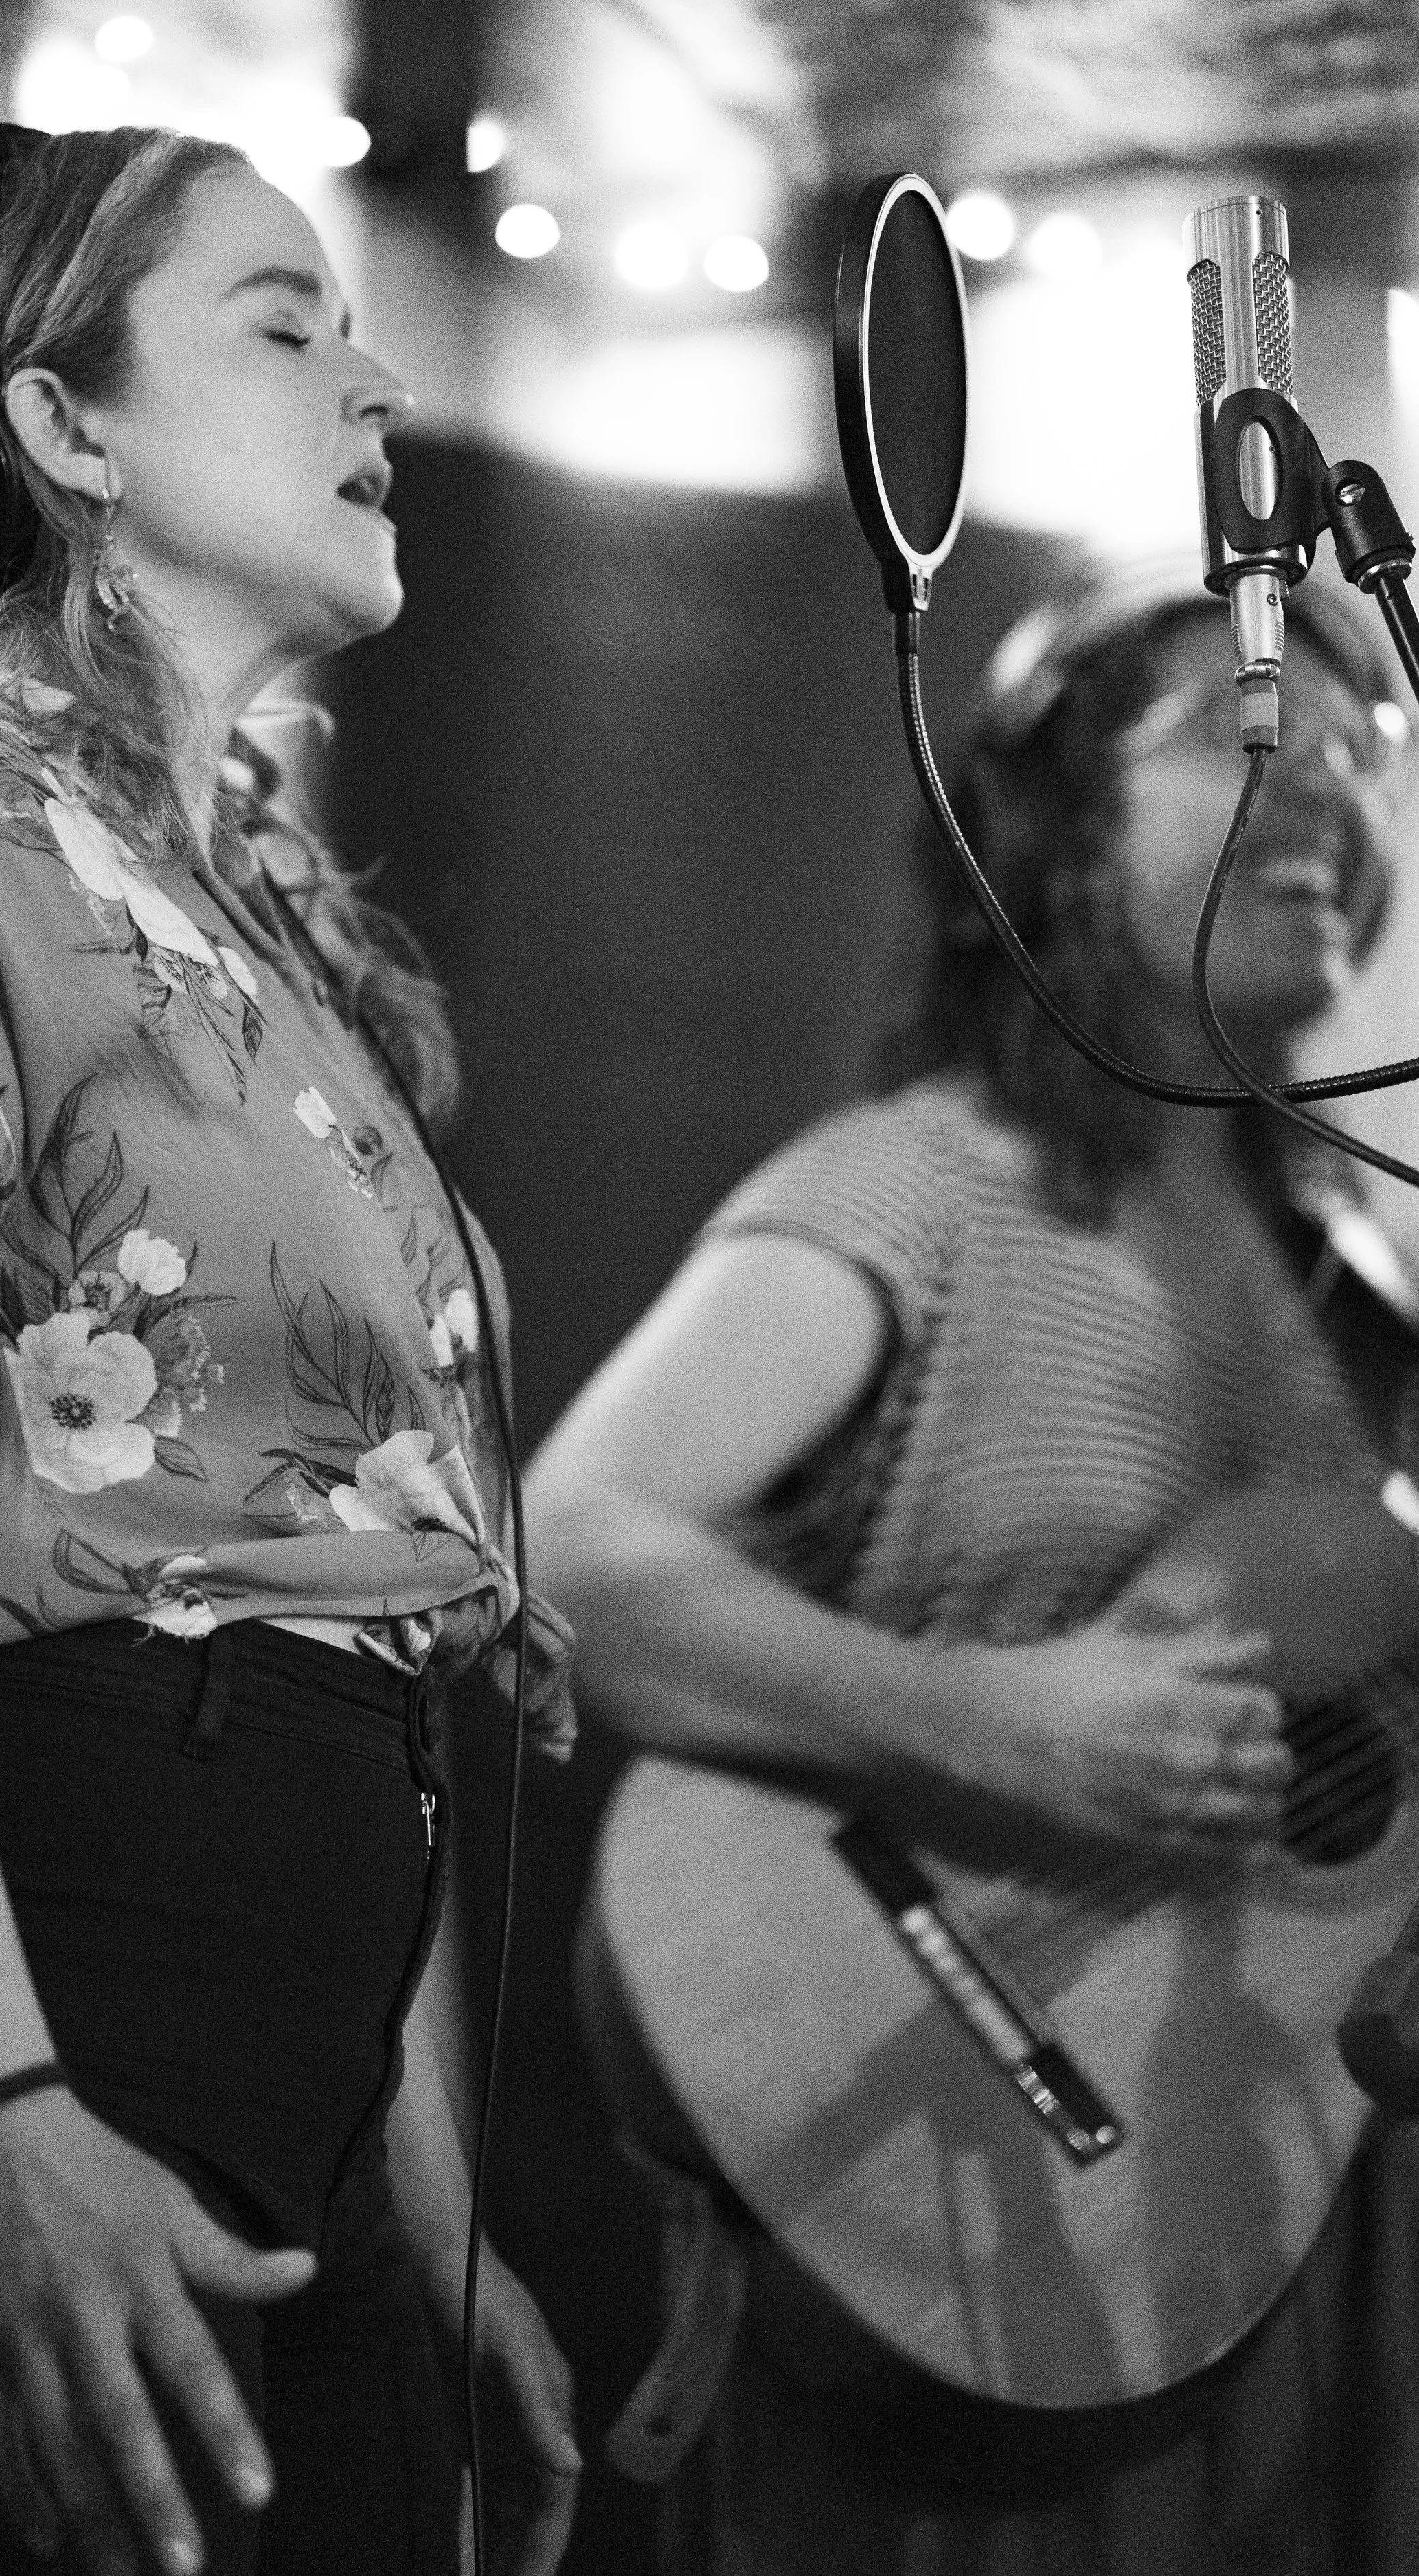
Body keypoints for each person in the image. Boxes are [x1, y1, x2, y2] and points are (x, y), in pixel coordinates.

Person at [0, 122, 580, 2576]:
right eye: (285, 324)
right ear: (63, 425)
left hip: (290, 1994)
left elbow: (347, 1638)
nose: (381, 381)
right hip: (56, 1944)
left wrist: (427, 2215)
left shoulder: (253, 926)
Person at [525, 563, 1419, 2573]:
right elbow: (562, 1544)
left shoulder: (1348, 1280)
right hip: (957, 2234)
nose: (1329, 786)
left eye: (1367, 754)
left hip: (1267, 2237)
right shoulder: (920, 1182)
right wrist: (999, 1725)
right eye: (1240, 728)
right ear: (1042, 824)